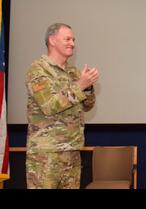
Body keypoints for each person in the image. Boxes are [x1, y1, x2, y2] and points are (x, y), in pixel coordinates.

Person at [25, 23, 99, 189]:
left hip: (72, 152)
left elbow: (87, 106)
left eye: (73, 39)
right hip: (46, 155)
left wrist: (87, 87)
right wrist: (79, 86)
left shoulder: (73, 72)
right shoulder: (38, 70)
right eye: (67, 39)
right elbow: (49, 105)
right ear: (52, 40)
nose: (72, 43)